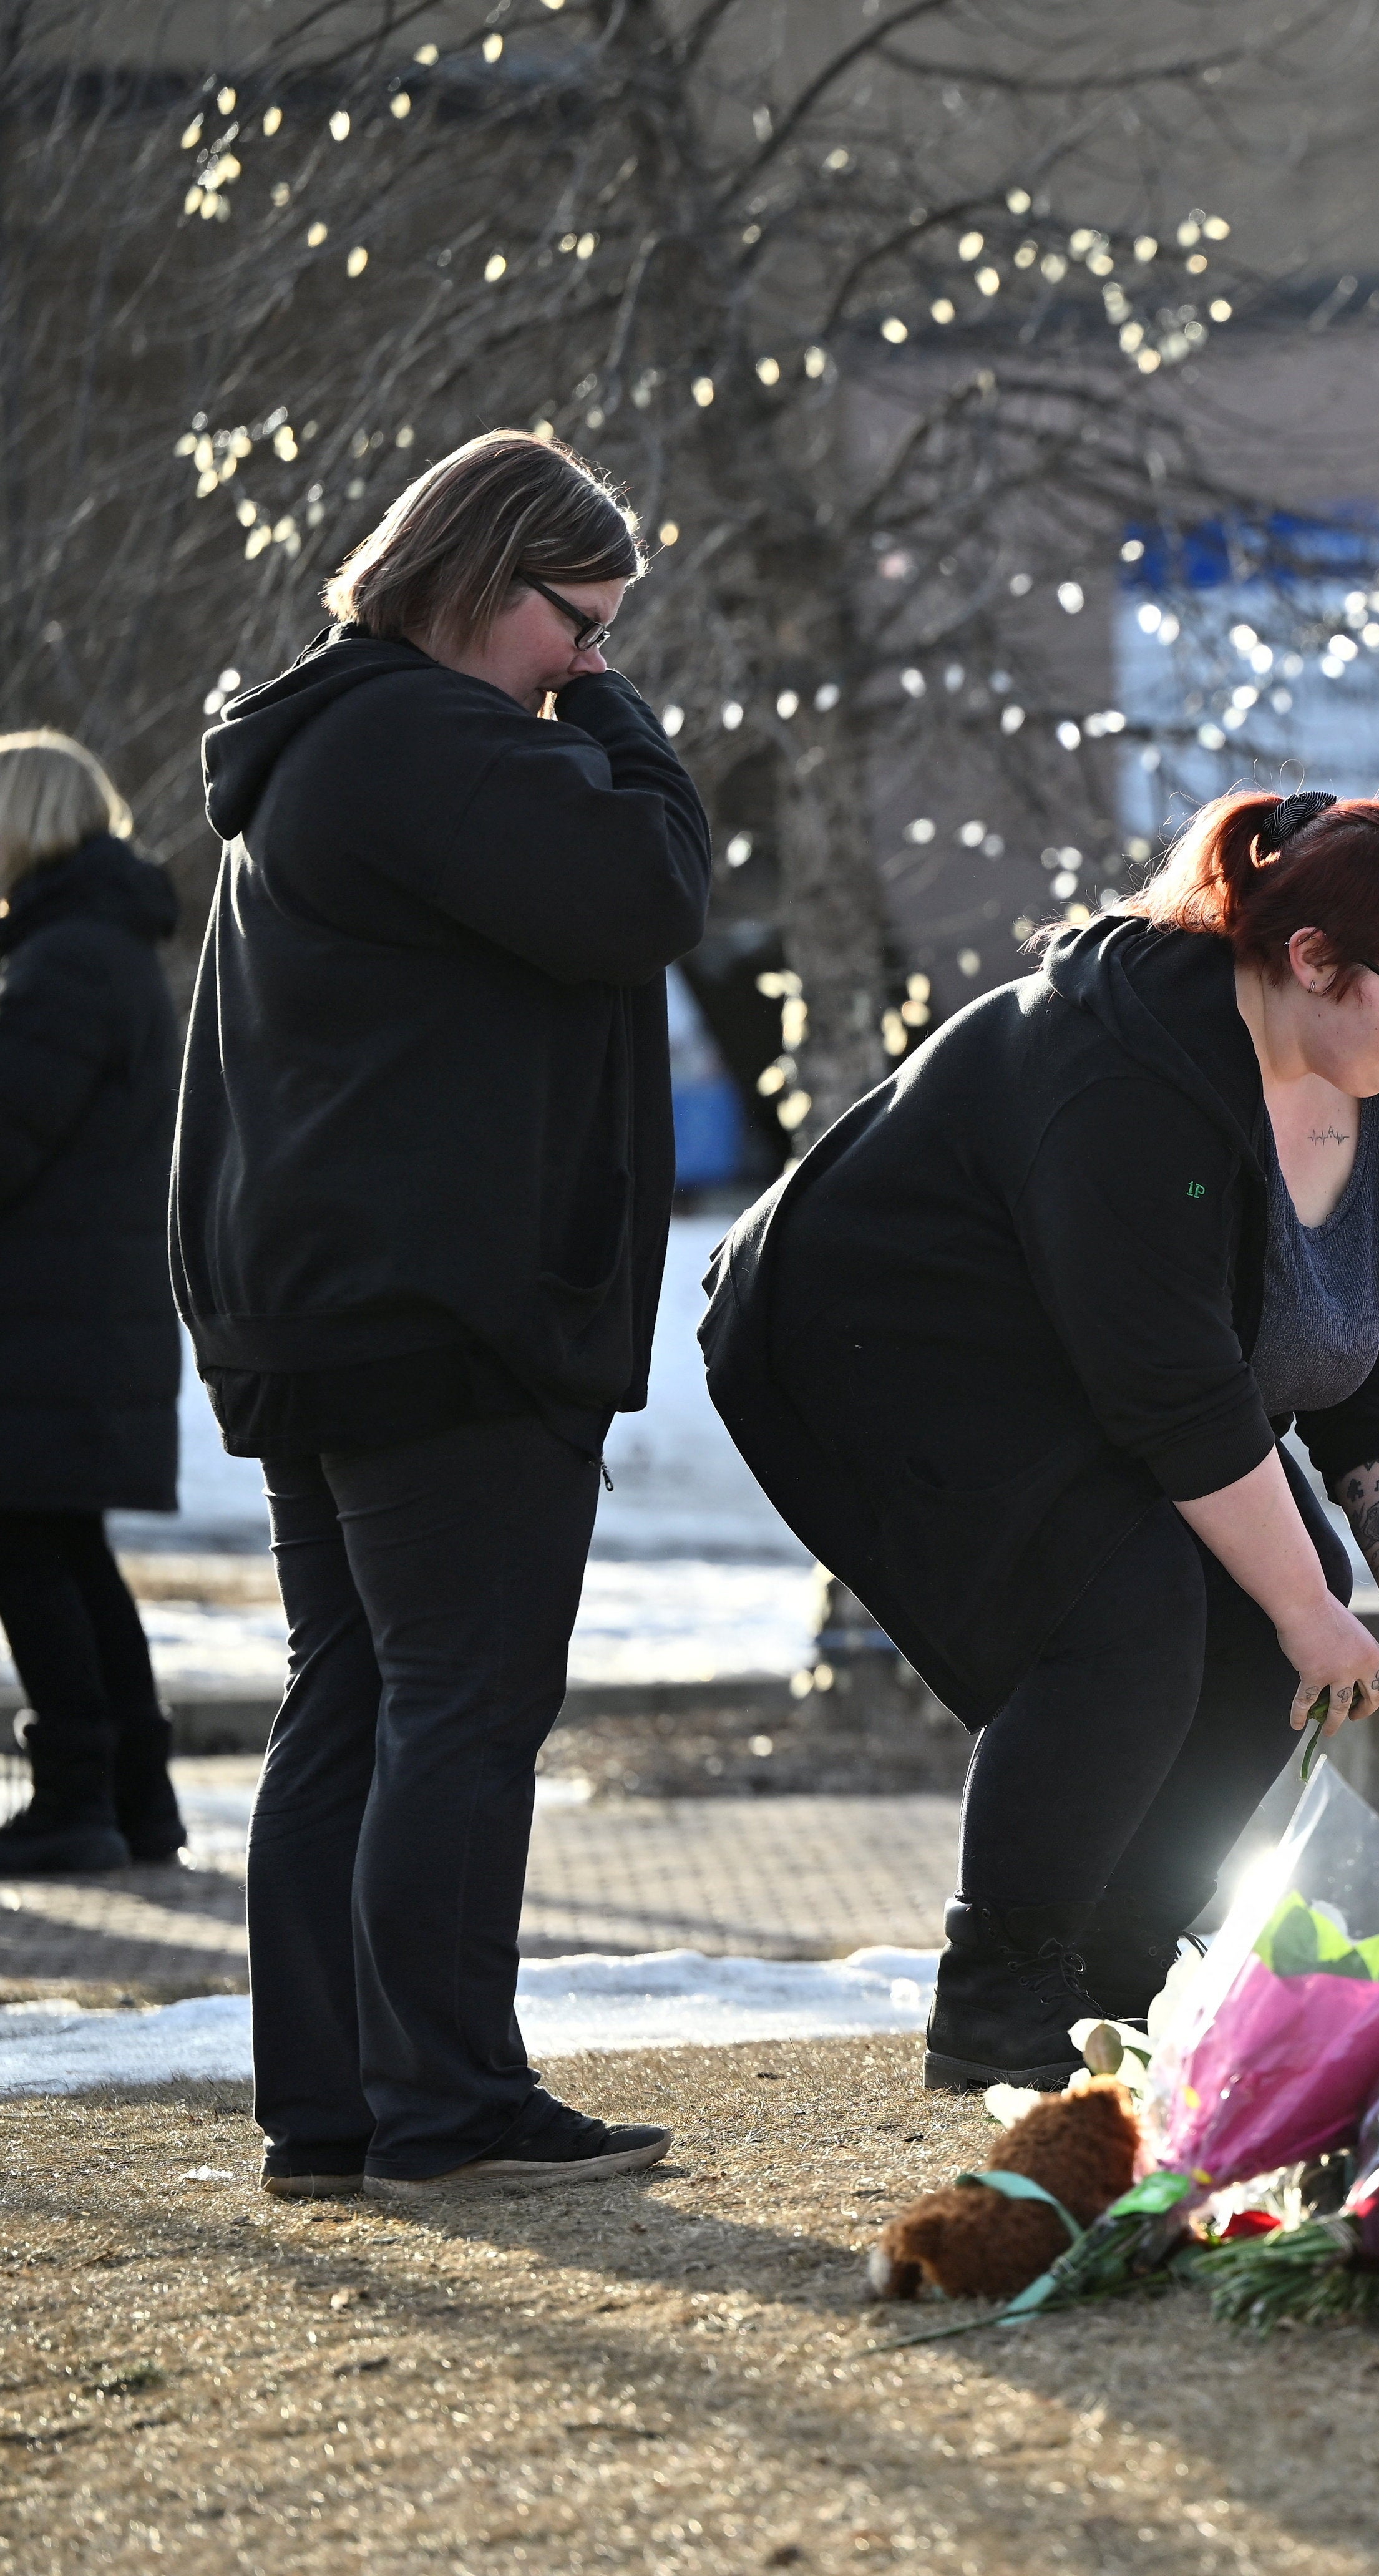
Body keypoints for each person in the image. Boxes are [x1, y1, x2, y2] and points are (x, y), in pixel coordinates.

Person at [703, 787, 1379, 2091]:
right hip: (884, 1336)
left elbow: (1369, 1339)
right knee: (1122, 1616)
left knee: (1274, 1611)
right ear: (1310, 961)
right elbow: (1173, 1388)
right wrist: (1306, 1610)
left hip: (1101, 1362)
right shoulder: (1128, 1074)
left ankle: (1119, 1976)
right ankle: (1000, 2005)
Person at [181, 432, 708, 2198]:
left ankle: (334, 2107)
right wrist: (627, 739)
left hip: (329, 1303)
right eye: (582, 622)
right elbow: (650, 892)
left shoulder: (337, 744)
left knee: (355, 1697)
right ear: (485, 581)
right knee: (461, 1704)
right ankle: (447, 2105)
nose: (595, 663)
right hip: (442, 1311)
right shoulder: (427, 736)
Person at [0, 731, 185, 1875]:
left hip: (44, 1323)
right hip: (78, 1319)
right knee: (65, 1549)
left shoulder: (64, 962)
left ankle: (79, 1798)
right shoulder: (102, 951)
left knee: (29, 1549)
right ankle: (133, 1796)